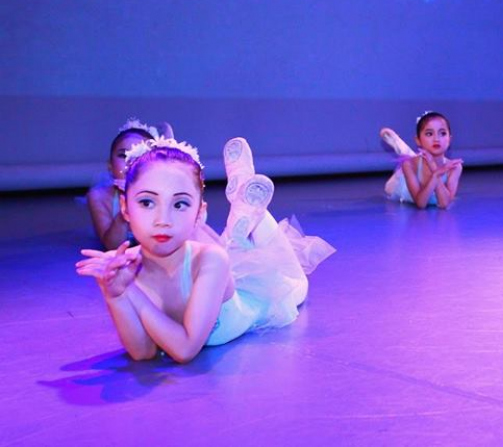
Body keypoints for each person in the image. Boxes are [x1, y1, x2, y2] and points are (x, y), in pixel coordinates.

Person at [75, 137, 334, 363]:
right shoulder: (122, 266)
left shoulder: (212, 259)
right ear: (124, 207)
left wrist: (130, 290)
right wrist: (116, 293)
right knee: (234, 246)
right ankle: (241, 215)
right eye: (147, 202)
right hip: (219, 270)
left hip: (260, 297)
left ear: (199, 212)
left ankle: (252, 209)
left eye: (179, 204)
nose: (162, 220)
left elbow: (185, 349)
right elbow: (143, 352)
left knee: (297, 285)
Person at [86, 119, 171, 249]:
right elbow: (112, 247)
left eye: (139, 155)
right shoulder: (99, 196)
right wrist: (128, 204)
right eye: (123, 155)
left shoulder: (164, 192)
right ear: (110, 165)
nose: (130, 161)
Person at [379, 111, 463, 209]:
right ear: (418, 140)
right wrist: (435, 172)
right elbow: (421, 203)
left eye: (442, 133)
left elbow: (444, 204)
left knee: (412, 158)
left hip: (418, 163)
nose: (436, 139)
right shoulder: (409, 165)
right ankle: (401, 147)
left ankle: (405, 150)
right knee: (390, 185)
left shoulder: (455, 167)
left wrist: (434, 171)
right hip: (402, 183)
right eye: (429, 134)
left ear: (450, 139)